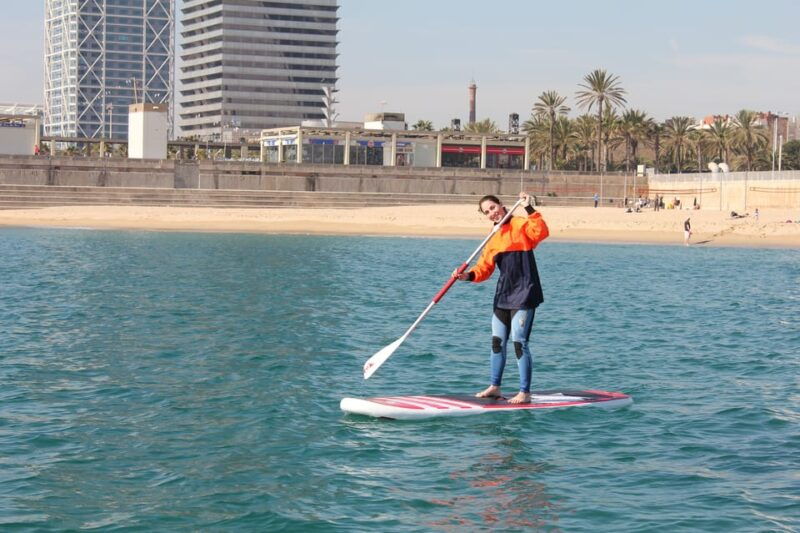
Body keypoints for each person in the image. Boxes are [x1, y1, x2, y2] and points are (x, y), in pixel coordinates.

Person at [453, 192, 549, 404]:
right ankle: (495, 387)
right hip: (503, 295)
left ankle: (525, 392)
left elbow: (541, 232)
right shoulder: (493, 236)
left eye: (493, 208)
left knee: (519, 342)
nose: (491, 213)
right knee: (497, 342)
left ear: (502, 206)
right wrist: (466, 276)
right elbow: (484, 269)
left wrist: (529, 208)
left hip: (525, 292)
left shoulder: (521, 225)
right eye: (487, 212)